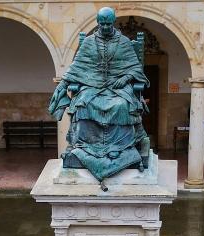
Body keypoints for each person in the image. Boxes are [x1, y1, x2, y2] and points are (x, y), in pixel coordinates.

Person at [48, 6, 150, 183]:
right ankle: (84, 147)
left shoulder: (124, 42)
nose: (104, 27)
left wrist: (126, 77)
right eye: (101, 24)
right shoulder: (88, 42)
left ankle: (121, 146)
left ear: (113, 23)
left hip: (118, 86)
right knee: (83, 105)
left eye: (108, 24)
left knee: (121, 105)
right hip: (92, 85)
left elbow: (135, 68)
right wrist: (63, 84)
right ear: (97, 23)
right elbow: (77, 66)